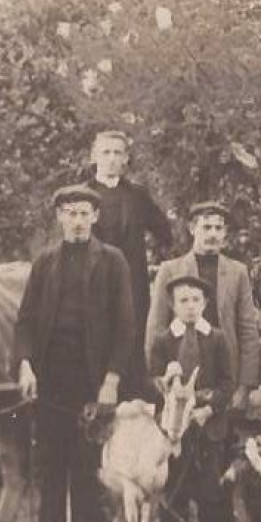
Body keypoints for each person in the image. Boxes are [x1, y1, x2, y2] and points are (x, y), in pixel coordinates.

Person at [14, 185, 136, 522]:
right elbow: (26, 322)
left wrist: (112, 380)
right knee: (50, 462)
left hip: (92, 378)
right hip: (50, 377)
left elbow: (125, 326)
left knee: (86, 464)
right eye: (71, 213)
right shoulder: (45, 262)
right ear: (60, 217)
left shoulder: (113, 262)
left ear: (95, 217)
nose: (79, 221)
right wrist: (25, 366)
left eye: (85, 213)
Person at [83, 128, 175, 399]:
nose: (111, 159)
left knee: (132, 352)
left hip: (132, 288)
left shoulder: (137, 195)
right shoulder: (83, 195)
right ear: (94, 156)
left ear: (126, 159)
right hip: (94, 289)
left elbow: (164, 233)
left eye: (118, 153)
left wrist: (157, 265)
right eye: (106, 152)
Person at [148, 201, 261, 415]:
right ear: (192, 229)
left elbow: (247, 329)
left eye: (218, 228)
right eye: (206, 227)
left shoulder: (238, 272)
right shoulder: (170, 270)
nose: (212, 234)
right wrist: (159, 381)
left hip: (222, 377)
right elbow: (156, 328)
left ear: (225, 233)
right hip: (180, 372)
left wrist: (244, 387)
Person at [145, 275, 234, 522]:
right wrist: (165, 381)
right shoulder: (164, 340)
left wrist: (210, 408)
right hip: (174, 426)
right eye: (183, 301)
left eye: (196, 300)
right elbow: (151, 380)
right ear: (173, 306)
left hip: (207, 421)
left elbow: (227, 382)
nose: (190, 306)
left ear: (205, 303)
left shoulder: (216, 338)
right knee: (175, 482)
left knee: (210, 482)